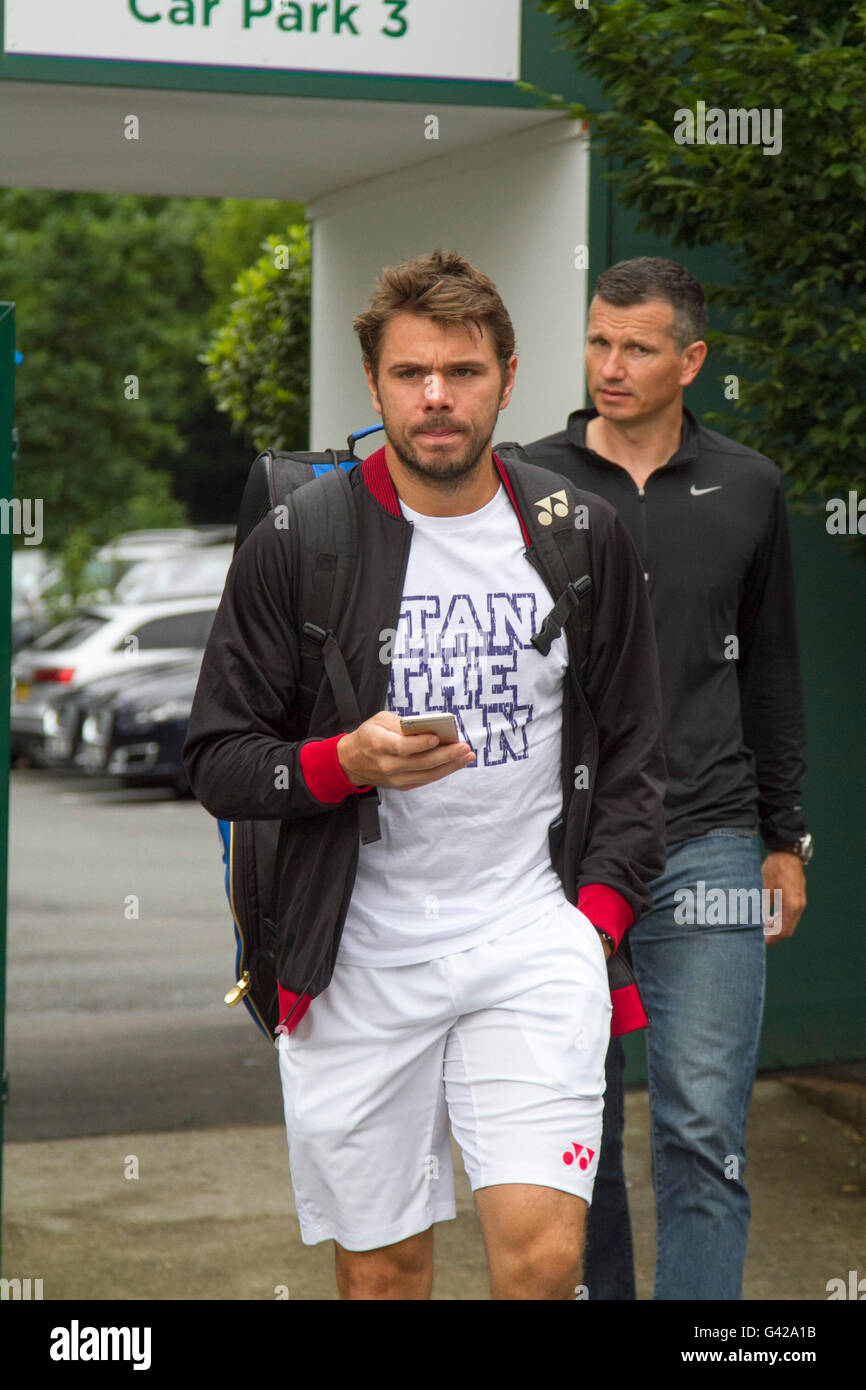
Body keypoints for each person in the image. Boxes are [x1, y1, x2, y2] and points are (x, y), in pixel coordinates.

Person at [183, 249, 666, 1300]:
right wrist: (343, 760)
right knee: (385, 1278)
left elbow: (634, 750)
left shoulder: (580, 538)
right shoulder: (296, 544)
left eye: (462, 371)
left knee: (541, 1266)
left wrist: (593, 920)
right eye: (410, 374)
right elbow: (218, 757)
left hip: (532, 941)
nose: (436, 398)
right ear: (374, 385)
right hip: (355, 958)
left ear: (505, 375)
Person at [524, 256, 811, 1301]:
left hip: (707, 838)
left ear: (689, 359)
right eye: (598, 340)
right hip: (556, 852)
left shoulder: (746, 485)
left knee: (698, 1120)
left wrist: (786, 837)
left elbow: (770, 669)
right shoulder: (527, 481)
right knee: (571, 1125)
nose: (609, 364)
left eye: (637, 347)